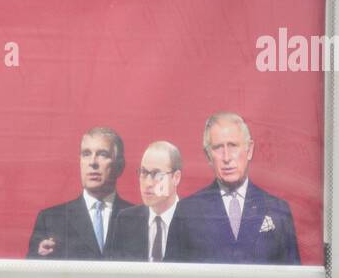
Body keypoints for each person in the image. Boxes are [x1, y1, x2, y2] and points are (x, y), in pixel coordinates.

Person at [173, 112, 300, 265]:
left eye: (233, 146)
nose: (227, 157)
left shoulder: (278, 211)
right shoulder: (186, 212)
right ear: (208, 156)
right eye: (218, 148)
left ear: (249, 150)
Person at [26, 127, 132, 259]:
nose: (92, 162)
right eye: (86, 154)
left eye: (102, 154)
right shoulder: (51, 220)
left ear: (120, 166)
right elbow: (32, 274)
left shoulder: (139, 218)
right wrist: (40, 258)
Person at [107, 141, 189, 262]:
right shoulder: (125, 221)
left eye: (156, 174)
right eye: (144, 173)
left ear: (176, 178)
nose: (148, 183)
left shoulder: (194, 222)